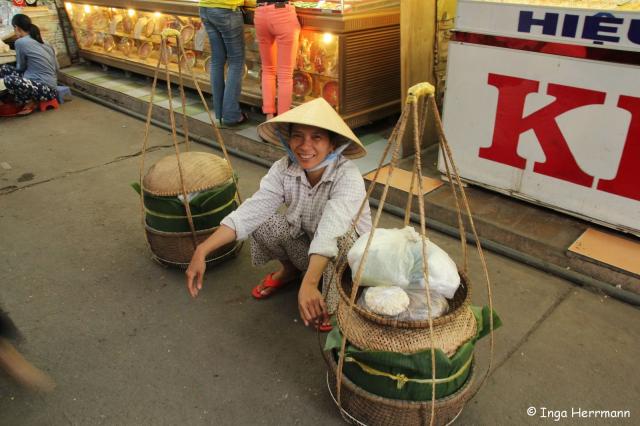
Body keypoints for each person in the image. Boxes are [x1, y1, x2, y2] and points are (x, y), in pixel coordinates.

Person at [185, 98, 372, 330]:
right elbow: (252, 210)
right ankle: (292, 272)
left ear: (332, 145)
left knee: (342, 237)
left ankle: (331, 294)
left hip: (346, 259)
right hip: (309, 245)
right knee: (262, 221)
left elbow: (330, 231)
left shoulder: (347, 175)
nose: (305, 146)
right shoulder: (284, 168)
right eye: (298, 136)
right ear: (289, 140)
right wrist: (202, 250)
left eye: (316, 137)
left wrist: (309, 284)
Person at [199, 0, 248, 126]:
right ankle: (231, 115)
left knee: (217, 59)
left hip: (205, 7)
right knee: (236, 61)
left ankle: (220, 112)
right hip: (226, 9)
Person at [0, 14, 58, 115]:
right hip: (52, 86)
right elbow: (57, 67)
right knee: (5, 68)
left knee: (8, 79)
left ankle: (26, 101)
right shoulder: (45, 42)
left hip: (46, 91)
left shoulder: (20, 42)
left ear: (16, 27)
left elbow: (20, 67)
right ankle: (19, 98)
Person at [254, 1, 300, 120]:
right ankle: (282, 121)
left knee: (268, 70)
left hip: (260, 14)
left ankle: (269, 116)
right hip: (283, 13)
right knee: (285, 75)